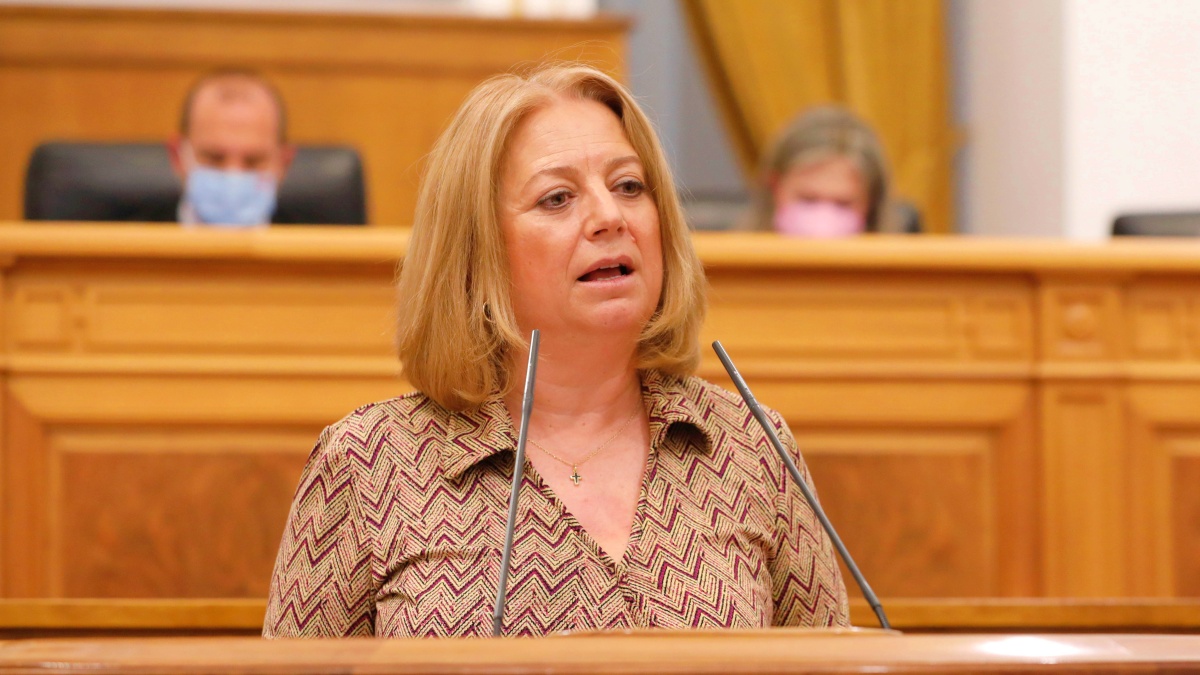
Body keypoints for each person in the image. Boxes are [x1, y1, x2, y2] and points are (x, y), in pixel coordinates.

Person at [263, 64, 850, 638]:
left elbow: (838, 666)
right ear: (478, 247)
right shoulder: (369, 463)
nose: (609, 217)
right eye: (557, 198)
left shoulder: (750, 445)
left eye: (628, 186)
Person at [167, 70, 295, 227]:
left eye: (253, 161)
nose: (233, 174)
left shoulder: (315, 238)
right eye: (214, 158)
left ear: (284, 162)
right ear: (177, 155)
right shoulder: (138, 234)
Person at [748, 105, 895, 237]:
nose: (823, 220)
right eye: (808, 199)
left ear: (871, 203)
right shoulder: (736, 256)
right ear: (775, 187)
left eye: (843, 204)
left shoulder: (900, 258)